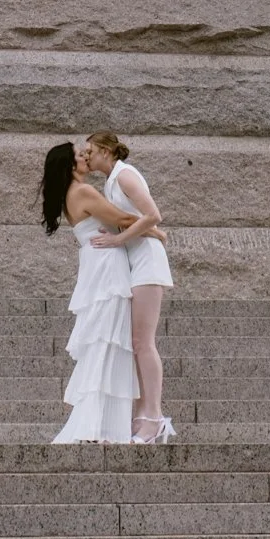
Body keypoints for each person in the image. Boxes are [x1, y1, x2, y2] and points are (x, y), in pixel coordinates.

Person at [40, 141, 165, 444]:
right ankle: (102, 424)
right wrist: (155, 231)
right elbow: (121, 218)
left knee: (107, 340)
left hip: (97, 264)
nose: (84, 158)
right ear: (70, 166)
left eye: (85, 153)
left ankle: (107, 423)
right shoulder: (82, 192)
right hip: (107, 265)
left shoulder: (69, 195)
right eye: (78, 156)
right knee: (109, 339)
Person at [84, 131, 176, 444]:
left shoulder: (125, 175)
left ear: (107, 151)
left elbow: (153, 214)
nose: (88, 157)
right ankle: (141, 416)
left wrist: (118, 239)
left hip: (147, 264)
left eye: (92, 151)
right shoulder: (111, 181)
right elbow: (138, 220)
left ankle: (154, 418)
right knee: (135, 342)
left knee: (143, 342)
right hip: (135, 262)